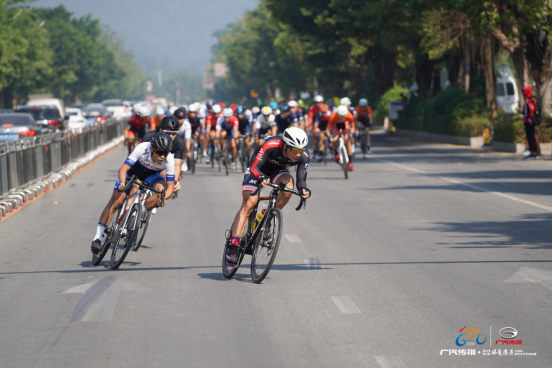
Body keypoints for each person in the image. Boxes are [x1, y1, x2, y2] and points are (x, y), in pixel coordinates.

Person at [226, 127, 312, 264]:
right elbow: (255, 166)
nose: (298, 154)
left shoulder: (303, 156)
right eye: (295, 150)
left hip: (277, 171)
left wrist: (303, 190)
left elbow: (301, 179)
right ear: (285, 146)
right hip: (258, 169)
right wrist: (260, 176)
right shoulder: (271, 145)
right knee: (249, 204)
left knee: (289, 187)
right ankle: (233, 245)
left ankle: (267, 217)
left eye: (300, 150)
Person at [91, 132, 176, 254]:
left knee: (161, 191)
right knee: (116, 201)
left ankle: (139, 211)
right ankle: (97, 238)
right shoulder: (142, 148)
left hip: (151, 175)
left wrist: (163, 199)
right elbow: (123, 169)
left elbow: (171, 187)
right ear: (152, 149)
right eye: (160, 153)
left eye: (166, 153)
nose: (163, 156)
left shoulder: (169, 159)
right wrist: (122, 183)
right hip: (132, 171)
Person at [143, 116, 185, 189]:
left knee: (164, 188)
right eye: (168, 133)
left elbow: (177, 165)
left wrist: (175, 181)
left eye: (174, 133)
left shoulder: (179, 142)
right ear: (160, 130)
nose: (171, 136)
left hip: (161, 168)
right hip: (145, 165)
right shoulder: (148, 137)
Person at [327, 105, 355, 171]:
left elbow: (353, 127)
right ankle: (336, 153)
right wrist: (330, 137)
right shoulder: (333, 115)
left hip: (345, 126)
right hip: (336, 127)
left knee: (347, 140)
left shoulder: (349, 115)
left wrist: (351, 133)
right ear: (338, 114)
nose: (342, 118)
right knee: (334, 140)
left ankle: (350, 162)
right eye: (340, 116)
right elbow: (328, 128)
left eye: (343, 116)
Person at [522, 86, 540, 159]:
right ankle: (532, 152)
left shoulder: (529, 103)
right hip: (532, 121)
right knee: (531, 137)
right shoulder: (534, 101)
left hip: (529, 122)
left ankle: (533, 152)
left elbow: (527, 114)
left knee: (531, 137)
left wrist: (522, 113)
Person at [173, 107, 191, 172]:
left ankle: (184, 161)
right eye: (180, 118)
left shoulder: (187, 125)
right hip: (174, 138)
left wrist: (187, 151)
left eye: (183, 118)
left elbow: (188, 139)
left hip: (182, 138)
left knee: (184, 146)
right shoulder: (172, 123)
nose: (182, 120)